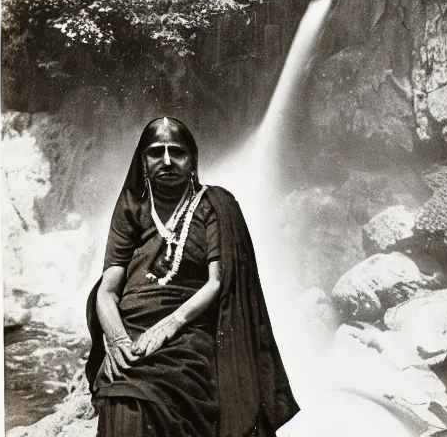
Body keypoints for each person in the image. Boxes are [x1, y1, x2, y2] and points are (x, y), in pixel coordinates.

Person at [86, 117, 299, 436]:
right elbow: (107, 289)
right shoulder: (134, 205)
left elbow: (217, 281)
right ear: (143, 160)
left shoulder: (215, 205)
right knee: (120, 388)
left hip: (188, 328)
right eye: (156, 152)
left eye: (177, 152)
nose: (167, 160)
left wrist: (170, 324)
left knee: (167, 383)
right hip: (131, 326)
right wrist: (116, 340)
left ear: (193, 160)